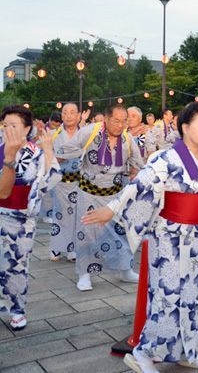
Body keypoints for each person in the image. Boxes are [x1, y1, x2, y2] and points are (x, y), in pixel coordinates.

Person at [82, 101, 198, 373]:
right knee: (167, 296)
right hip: (168, 238)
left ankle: (185, 350)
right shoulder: (165, 159)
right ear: (185, 127)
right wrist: (111, 210)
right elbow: (139, 187)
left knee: (193, 294)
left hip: (196, 239)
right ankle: (143, 353)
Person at [60, 104, 144, 291]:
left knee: (121, 233)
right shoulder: (90, 132)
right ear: (106, 118)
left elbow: (138, 163)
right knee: (86, 234)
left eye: (124, 121)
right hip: (88, 193)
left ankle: (125, 269)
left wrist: (135, 173)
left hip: (116, 195)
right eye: (116, 120)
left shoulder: (128, 139)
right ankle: (84, 274)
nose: (120, 125)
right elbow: (66, 151)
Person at [0, 106, 61, 331]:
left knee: (16, 265)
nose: (8, 130)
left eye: (14, 125)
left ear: (27, 129)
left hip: (21, 218)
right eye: (5, 125)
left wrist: (48, 151)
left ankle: (16, 309)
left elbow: (52, 177)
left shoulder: (35, 152)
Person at [48, 102, 83, 263]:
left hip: (80, 182)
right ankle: (56, 247)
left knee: (77, 215)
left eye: (72, 112)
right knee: (60, 213)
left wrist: (67, 154)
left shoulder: (85, 135)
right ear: (61, 116)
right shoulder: (54, 135)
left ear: (78, 116)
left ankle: (73, 249)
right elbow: (48, 157)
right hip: (60, 182)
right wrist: (59, 157)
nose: (68, 115)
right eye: (65, 113)